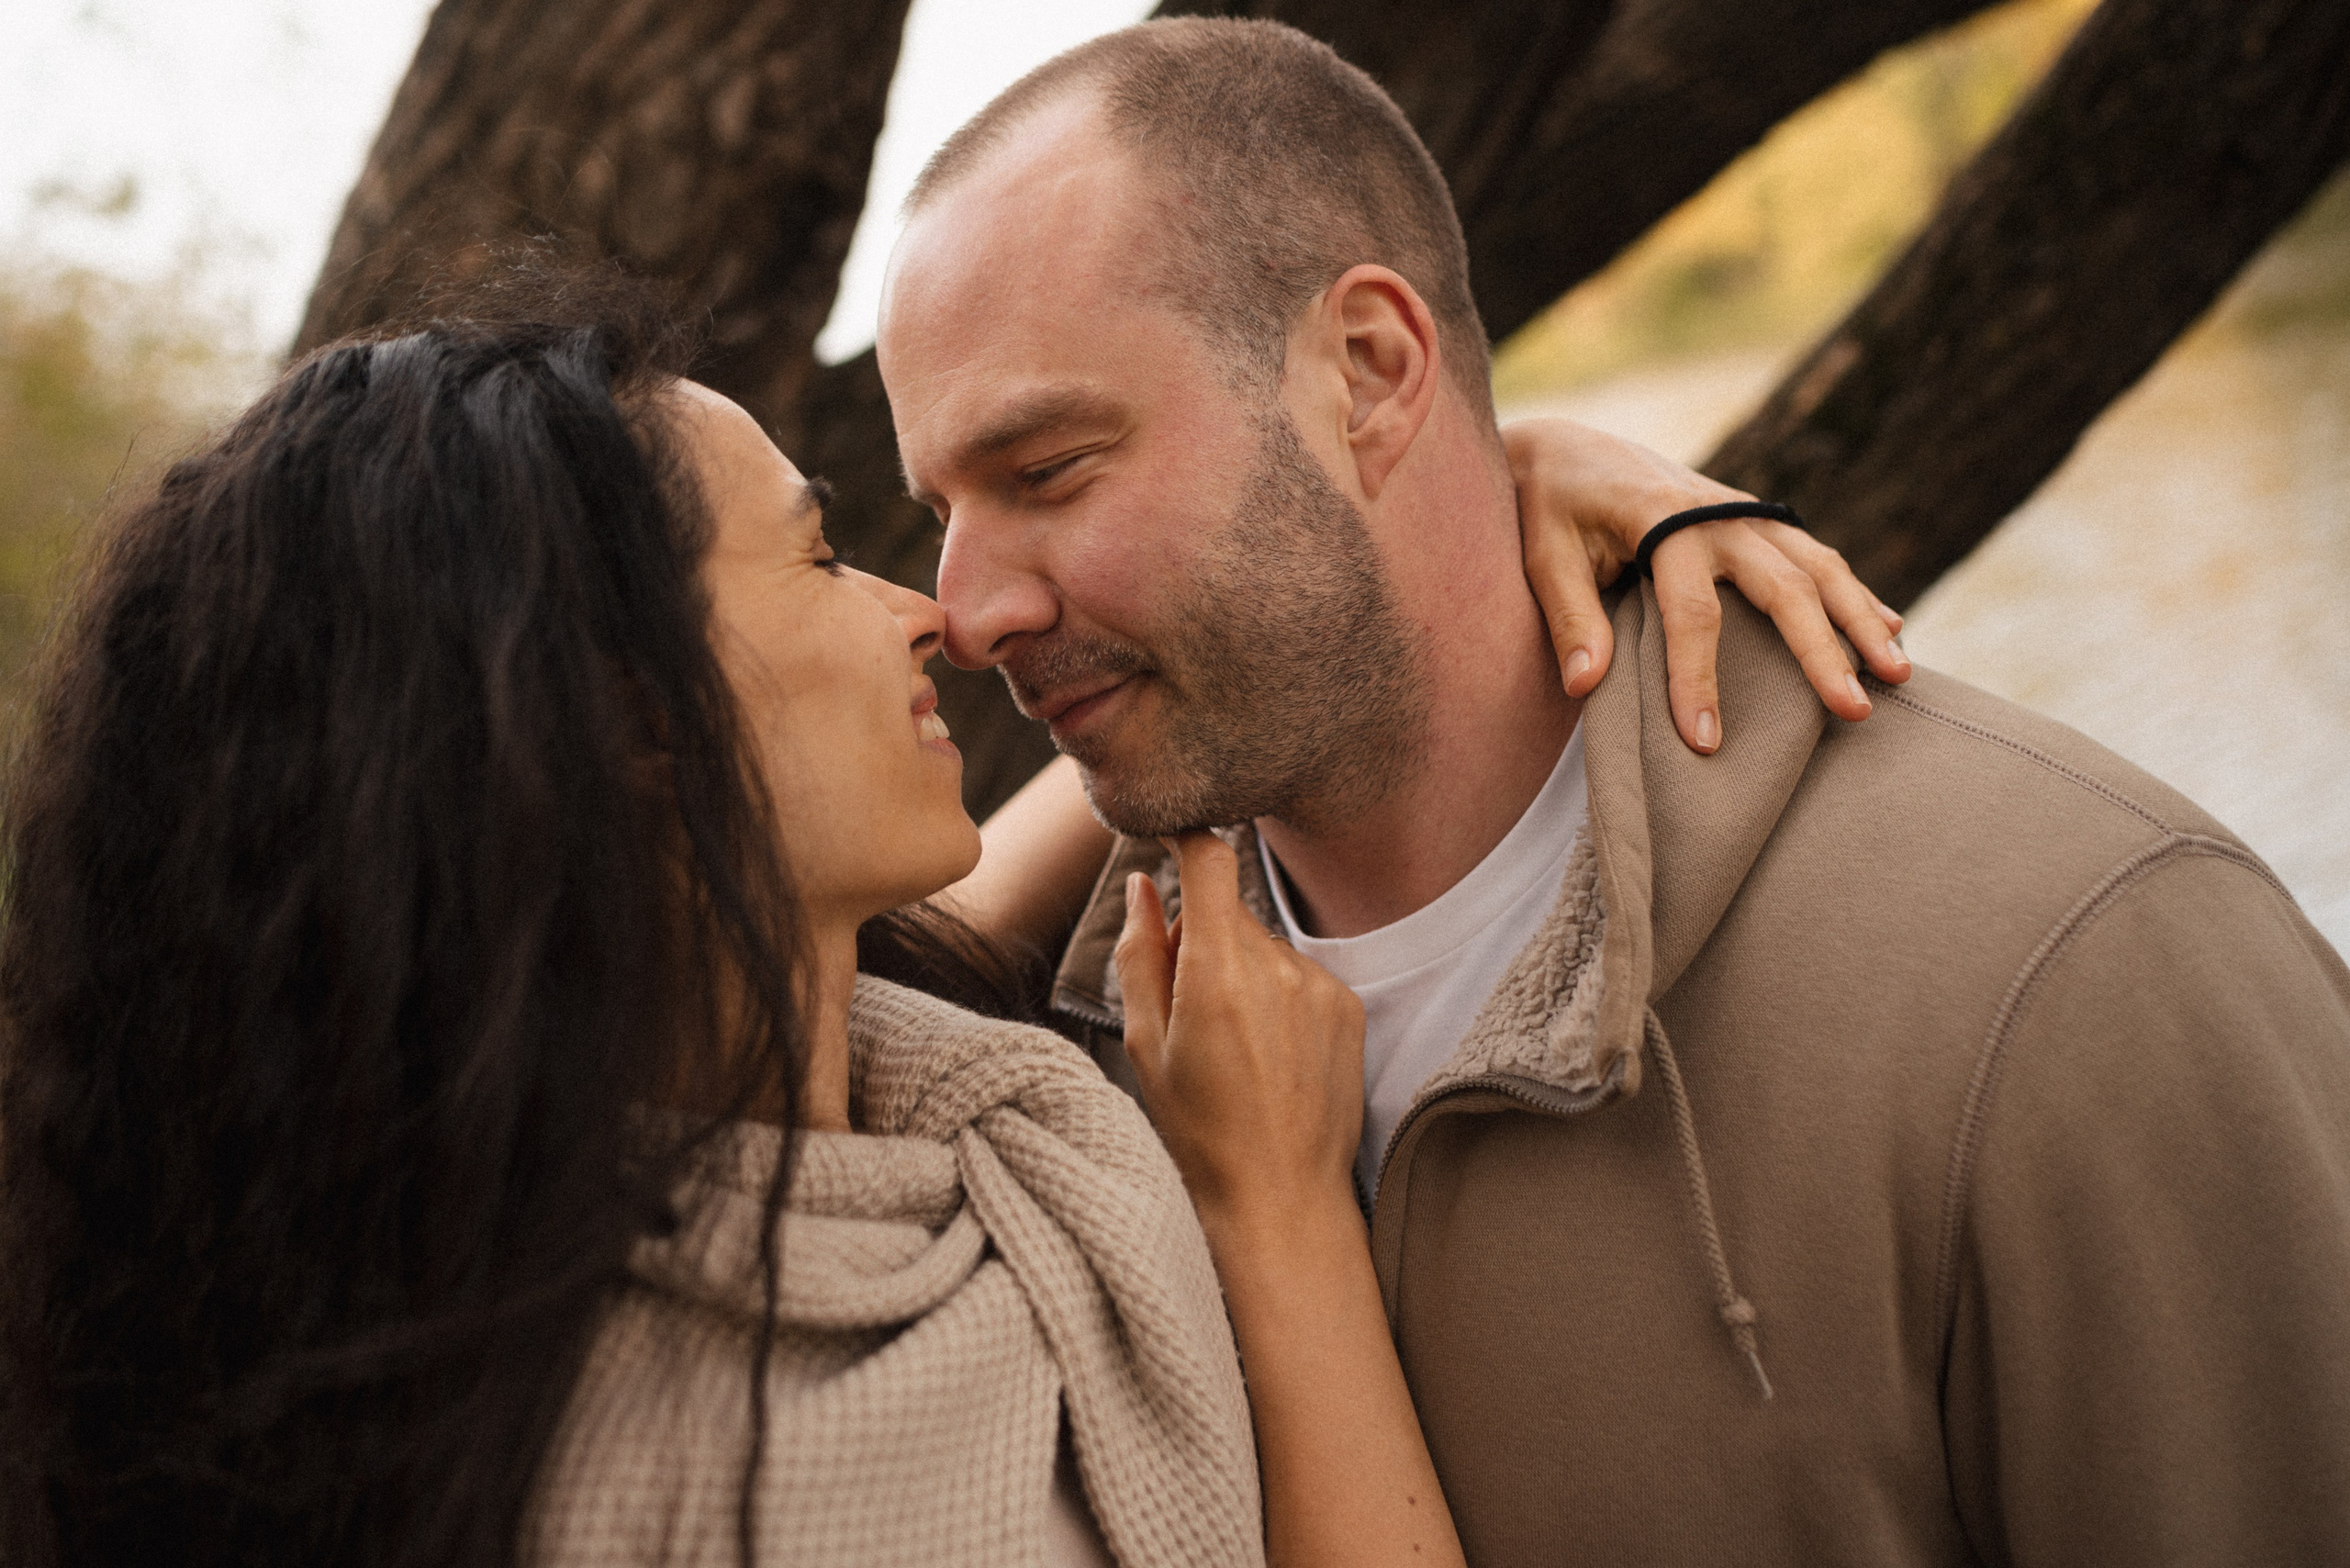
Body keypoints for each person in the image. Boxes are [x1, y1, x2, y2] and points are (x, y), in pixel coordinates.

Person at [0, 275, 1860, 1568]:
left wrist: (1469, 490)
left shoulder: (851, 1079)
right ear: (629, 725)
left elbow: (1131, 778)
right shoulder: (656, 1482)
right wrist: (1275, 1209)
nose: (936, 617)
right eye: (819, 555)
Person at [877, 18, 2350, 1567]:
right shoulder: (1020, 1078)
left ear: (1371, 375)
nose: (963, 613)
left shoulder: (2084, 971)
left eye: (1046, 471)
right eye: (937, 511)